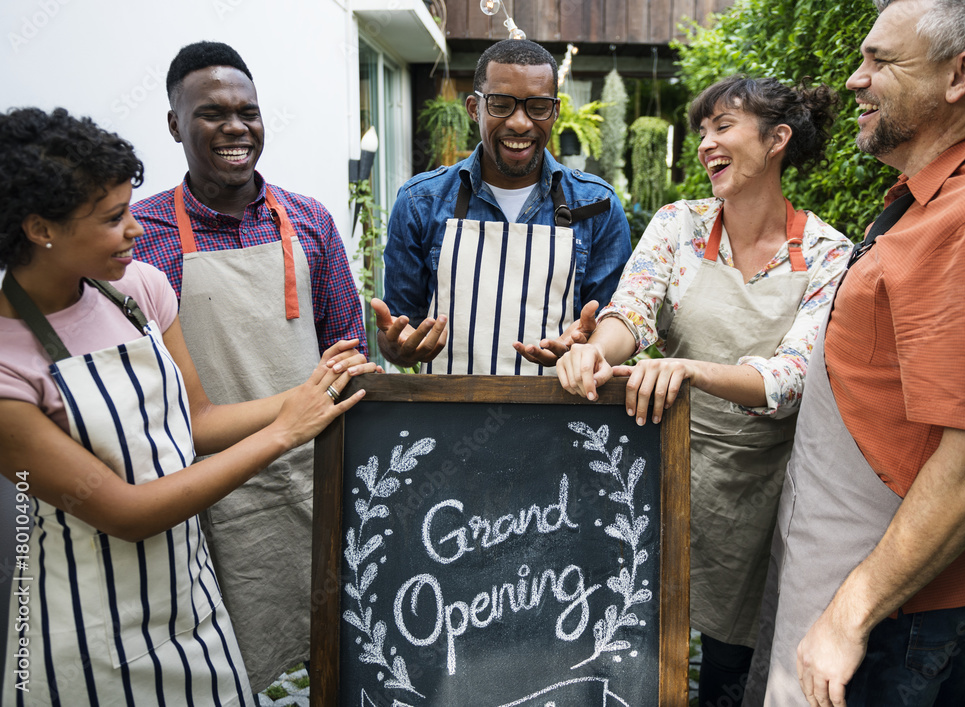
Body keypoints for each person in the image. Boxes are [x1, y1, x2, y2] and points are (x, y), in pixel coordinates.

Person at [0, 107, 373, 705]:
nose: (136, 230)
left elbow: (195, 423)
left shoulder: (139, 290)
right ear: (42, 228)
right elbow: (129, 513)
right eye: (114, 218)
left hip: (192, 600)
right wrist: (283, 432)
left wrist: (308, 395)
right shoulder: (8, 367)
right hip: (87, 622)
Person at [557, 76, 852, 706]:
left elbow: (794, 378)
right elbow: (631, 314)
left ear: (778, 139)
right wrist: (593, 351)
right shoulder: (678, 225)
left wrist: (689, 371)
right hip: (659, 470)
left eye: (723, 126)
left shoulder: (830, 254)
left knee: (730, 672)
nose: (705, 144)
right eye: (701, 131)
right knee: (627, 645)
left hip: (760, 493)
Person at [743, 1, 965, 705]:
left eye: (880, 60)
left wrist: (849, 614)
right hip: (854, 574)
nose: (854, 80)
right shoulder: (930, 199)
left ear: (959, 77)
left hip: (894, 615)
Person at [130, 41, 369, 690]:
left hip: (313, 475)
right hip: (204, 492)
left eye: (249, 112)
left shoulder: (308, 220)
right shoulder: (137, 236)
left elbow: (350, 349)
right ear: (175, 124)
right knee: (213, 667)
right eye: (212, 113)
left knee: (335, 650)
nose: (236, 127)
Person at [373, 38, 632, 375]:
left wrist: (589, 348)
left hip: (562, 417)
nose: (520, 123)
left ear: (555, 112)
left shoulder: (598, 204)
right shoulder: (420, 201)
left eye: (537, 106)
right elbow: (400, 328)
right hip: (444, 419)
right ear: (474, 108)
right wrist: (397, 348)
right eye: (500, 104)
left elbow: (613, 328)